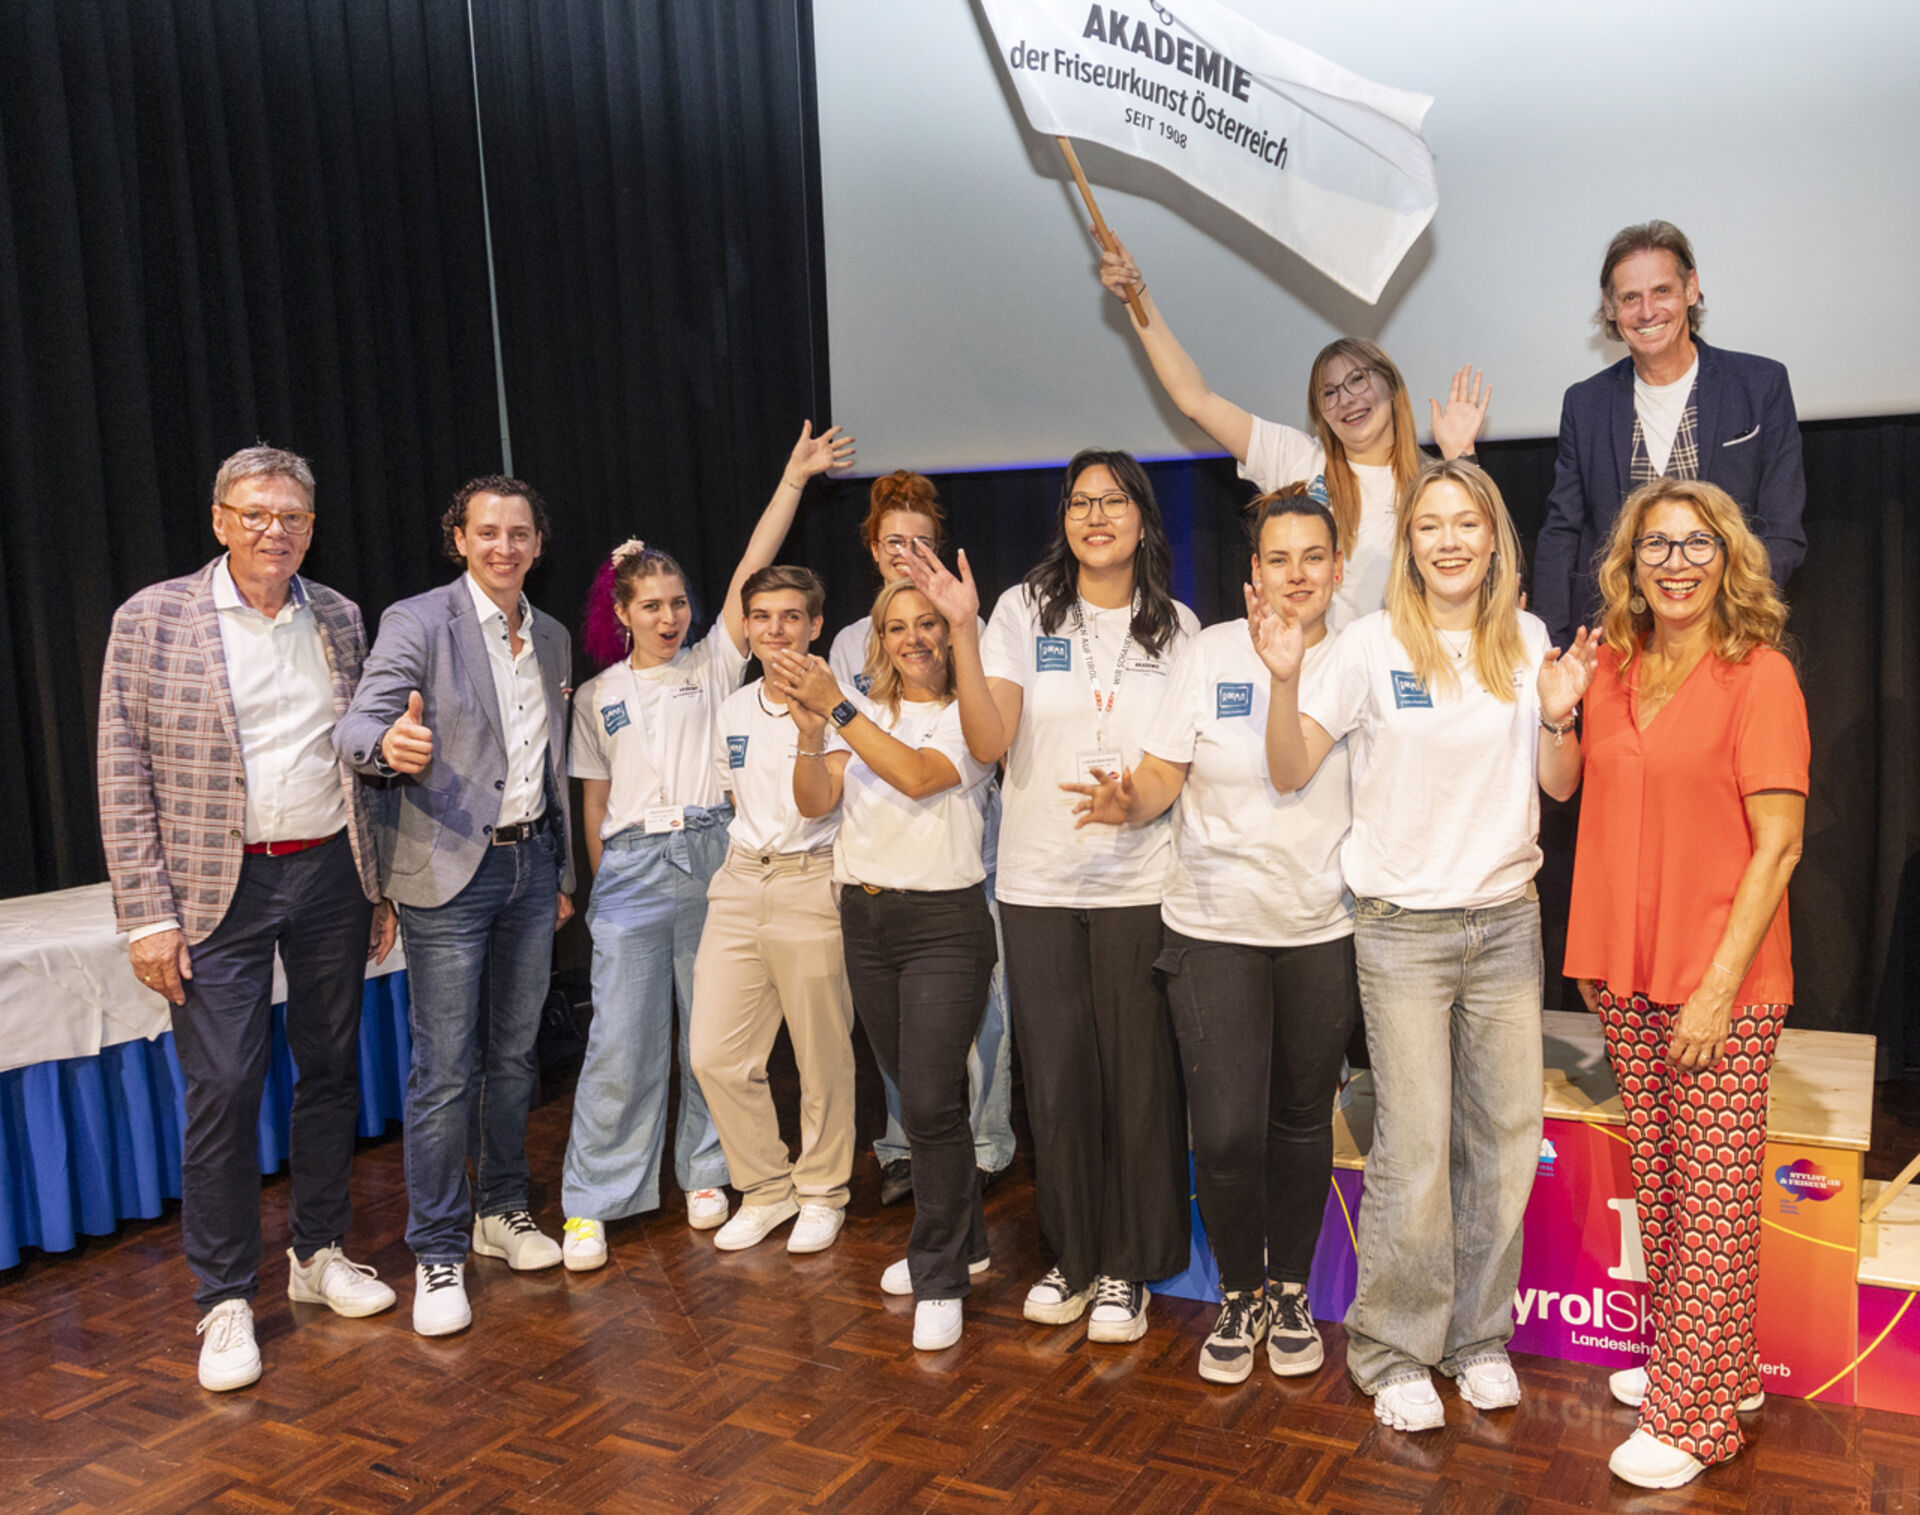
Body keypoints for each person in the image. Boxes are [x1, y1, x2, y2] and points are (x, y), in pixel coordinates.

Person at [1258, 458, 1595, 1431]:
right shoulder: (1369, 645)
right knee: (1413, 1147)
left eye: (1467, 523)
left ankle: (1478, 1338)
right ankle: (1393, 1349)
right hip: (1403, 932)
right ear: (1409, 545)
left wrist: (1561, 714)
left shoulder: (1525, 638)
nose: (1450, 540)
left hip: (1504, 925)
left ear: (1495, 541)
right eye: (1430, 525)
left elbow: (1560, 784)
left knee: (1503, 1142)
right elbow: (1289, 767)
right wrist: (1285, 681)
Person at [97, 444, 397, 1391]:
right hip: (211, 888)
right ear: (221, 519)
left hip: (329, 871)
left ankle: (318, 1252)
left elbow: (361, 752)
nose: (277, 530)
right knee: (224, 1085)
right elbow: (121, 770)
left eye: (294, 516)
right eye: (257, 513)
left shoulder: (340, 615)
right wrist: (147, 915)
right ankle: (224, 1296)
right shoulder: (152, 618)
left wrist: (378, 882)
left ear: (312, 526)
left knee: (331, 1068)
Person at [1066, 486, 1358, 1385]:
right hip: (1212, 924)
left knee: (1301, 1120)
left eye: (1313, 557)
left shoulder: (1364, 651)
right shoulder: (1211, 651)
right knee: (1227, 1131)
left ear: (1338, 568)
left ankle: (1289, 1291)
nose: (1297, 574)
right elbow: (1164, 771)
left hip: (1321, 926)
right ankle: (1239, 1290)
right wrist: (1130, 801)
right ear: (1252, 572)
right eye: (1279, 558)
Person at [904, 449, 1198, 1344]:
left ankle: (1128, 1267)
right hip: (1037, 884)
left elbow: (1173, 766)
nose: (1095, 516)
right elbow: (988, 741)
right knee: (1060, 1080)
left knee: (1138, 1082)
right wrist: (961, 632)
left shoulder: (1178, 627)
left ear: (1142, 518)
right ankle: (1072, 1256)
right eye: (1079, 502)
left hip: (1139, 884)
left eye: (1113, 500)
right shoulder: (1021, 610)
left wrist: (1131, 803)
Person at [559, 424, 854, 1270]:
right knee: (625, 1042)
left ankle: (709, 1171)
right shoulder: (597, 695)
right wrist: (605, 879)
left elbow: (752, 569)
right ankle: (595, 1198)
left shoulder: (713, 667)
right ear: (622, 613)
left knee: (719, 1037)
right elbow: (594, 802)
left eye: (678, 602)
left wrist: (792, 479)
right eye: (650, 605)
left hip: (713, 855)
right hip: (632, 868)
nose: (668, 616)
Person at [1562, 478, 1807, 1490]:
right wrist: (1597, 958)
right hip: (1627, 970)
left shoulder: (1760, 674)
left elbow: (1779, 845)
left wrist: (1715, 988)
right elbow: (1582, 801)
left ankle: (1692, 1420)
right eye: (1656, 545)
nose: (1676, 563)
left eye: (1696, 544)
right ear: (1630, 563)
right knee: (1668, 1184)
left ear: (1728, 558)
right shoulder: (1611, 668)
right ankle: (1715, 1369)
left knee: (1712, 1197)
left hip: (1723, 980)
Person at [335, 476, 575, 1337]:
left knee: (514, 1055)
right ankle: (436, 1247)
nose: (504, 546)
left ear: (537, 544)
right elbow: (356, 725)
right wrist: (386, 744)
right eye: (487, 531)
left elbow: (549, 761)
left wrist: (561, 872)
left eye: (520, 532)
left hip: (530, 867)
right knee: (444, 1069)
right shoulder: (418, 621)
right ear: (460, 539)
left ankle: (499, 1209)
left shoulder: (552, 636)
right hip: (447, 874)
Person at [773, 579, 998, 1351]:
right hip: (865, 919)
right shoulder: (863, 712)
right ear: (880, 638)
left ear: (950, 630)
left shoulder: (970, 715)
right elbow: (815, 802)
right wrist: (812, 733)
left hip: (944, 924)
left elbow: (918, 775)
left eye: (927, 622)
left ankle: (939, 1275)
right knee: (920, 1097)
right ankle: (965, 1241)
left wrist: (836, 707)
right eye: (896, 626)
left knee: (931, 1101)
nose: (913, 638)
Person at [1096, 233, 1488, 628]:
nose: (1346, 400)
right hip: (1305, 659)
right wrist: (1138, 298)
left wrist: (1461, 457)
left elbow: (1483, 570)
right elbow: (1197, 400)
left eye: (1357, 379)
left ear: (1391, 383)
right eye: (1329, 393)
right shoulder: (1298, 457)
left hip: (1398, 661)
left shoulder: (1429, 482)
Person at [827, 471, 1015, 1205]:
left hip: (957, 866)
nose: (906, 554)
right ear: (873, 549)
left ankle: (984, 1147)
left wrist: (835, 713)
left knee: (977, 1020)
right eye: (893, 542)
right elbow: (838, 764)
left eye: (922, 542)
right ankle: (910, 1150)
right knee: (906, 1046)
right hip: (878, 874)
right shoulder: (850, 643)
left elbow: (941, 758)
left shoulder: (968, 628)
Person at [686, 566, 857, 1255]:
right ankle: (764, 1188)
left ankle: (823, 1192)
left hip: (811, 880)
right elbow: (737, 797)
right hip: (738, 879)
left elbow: (826, 800)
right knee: (714, 1054)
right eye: (761, 616)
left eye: (791, 616)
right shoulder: (732, 709)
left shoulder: (844, 704)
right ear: (748, 627)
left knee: (822, 1056)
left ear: (816, 625)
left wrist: (816, 728)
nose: (775, 629)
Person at [1534, 220, 1807, 650]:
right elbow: (1561, 533)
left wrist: (1738, 618)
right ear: (1610, 307)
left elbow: (1782, 528)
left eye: (1662, 291)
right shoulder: (1584, 404)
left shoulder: (1760, 385)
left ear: (1691, 289)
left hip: (1729, 639)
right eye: (1630, 297)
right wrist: (1551, 643)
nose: (1647, 311)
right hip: (1615, 644)